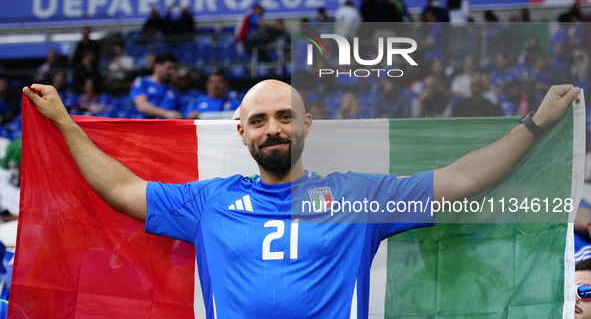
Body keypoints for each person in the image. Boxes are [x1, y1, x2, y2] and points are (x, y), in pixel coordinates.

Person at [23, 79, 580, 319]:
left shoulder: (360, 197)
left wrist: (537, 124)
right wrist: (64, 122)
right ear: (240, 132)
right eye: (259, 120)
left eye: (285, 117)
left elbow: (461, 180)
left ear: (307, 125)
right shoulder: (207, 203)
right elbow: (122, 190)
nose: (273, 129)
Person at [129, 52, 181, 119]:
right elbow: (142, 106)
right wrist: (167, 113)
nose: (172, 72)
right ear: (157, 66)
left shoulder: (174, 91)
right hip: (144, 127)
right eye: (169, 68)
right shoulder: (141, 82)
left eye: (174, 69)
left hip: (166, 129)